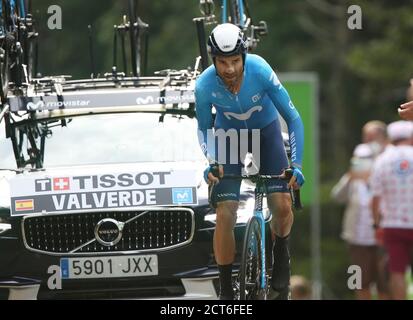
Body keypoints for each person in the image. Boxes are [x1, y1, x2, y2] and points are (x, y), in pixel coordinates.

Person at [194, 23, 305, 300]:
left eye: (234, 61)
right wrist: (212, 160)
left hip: (266, 133)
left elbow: (293, 118)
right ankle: (226, 291)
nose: (229, 69)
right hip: (229, 136)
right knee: (225, 212)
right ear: (213, 60)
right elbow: (205, 129)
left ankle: (281, 254)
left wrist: (298, 164)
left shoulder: (260, 70)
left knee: (281, 205)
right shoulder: (204, 86)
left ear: (243, 56)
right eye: (222, 62)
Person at [331, 142, 388, 299]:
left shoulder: (382, 176)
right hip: (356, 240)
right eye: (359, 159)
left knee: (383, 282)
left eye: (366, 159)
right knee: (357, 281)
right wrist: (349, 177)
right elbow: (336, 197)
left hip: (379, 239)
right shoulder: (352, 180)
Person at [370, 120, 413, 300]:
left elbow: (375, 197)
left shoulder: (382, 160)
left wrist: (376, 223)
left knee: (397, 272)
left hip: (393, 224)